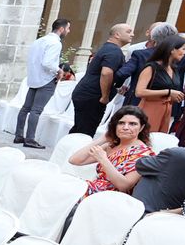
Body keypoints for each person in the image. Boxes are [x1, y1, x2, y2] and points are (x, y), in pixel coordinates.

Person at [69, 106, 154, 196]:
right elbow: (74, 160)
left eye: (132, 124)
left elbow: (124, 186)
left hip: (110, 197)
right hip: (93, 188)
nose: (125, 127)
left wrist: (103, 160)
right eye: (121, 123)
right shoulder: (112, 146)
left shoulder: (144, 154)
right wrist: (102, 139)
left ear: (141, 128)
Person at [14, 18, 70, 149]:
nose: (69, 31)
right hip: (46, 80)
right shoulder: (55, 43)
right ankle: (30, 139)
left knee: (25, 108)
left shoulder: (39, 41)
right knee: (36, 110)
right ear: (61, 29)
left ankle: (19, 135)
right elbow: (47, 62)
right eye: (67, 28)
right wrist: (59, 70)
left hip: (34, 78)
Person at [71, 23, 135, 136]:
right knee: (84, 132)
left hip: (86, 94)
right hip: (92, 96)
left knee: (80, 128)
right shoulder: (114, 51)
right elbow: (106, 73)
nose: (132, 34)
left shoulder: (109, 48)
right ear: (117, 34)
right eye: (129, 32)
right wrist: (105, 96)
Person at [115, 22, 185, 97]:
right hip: (169, 103)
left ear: (153, 38)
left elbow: (122, 74)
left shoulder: (140, 54)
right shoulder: (184, 56)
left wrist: (119, 86)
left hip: (139, 102)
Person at [135, 34, 185, 134]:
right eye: (184, 49)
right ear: (172, 50)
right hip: (149, 108)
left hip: (167, 110)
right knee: (145, 137)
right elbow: (139, 92)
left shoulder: (174, 68)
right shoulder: (151, 67)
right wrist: (168, 92)